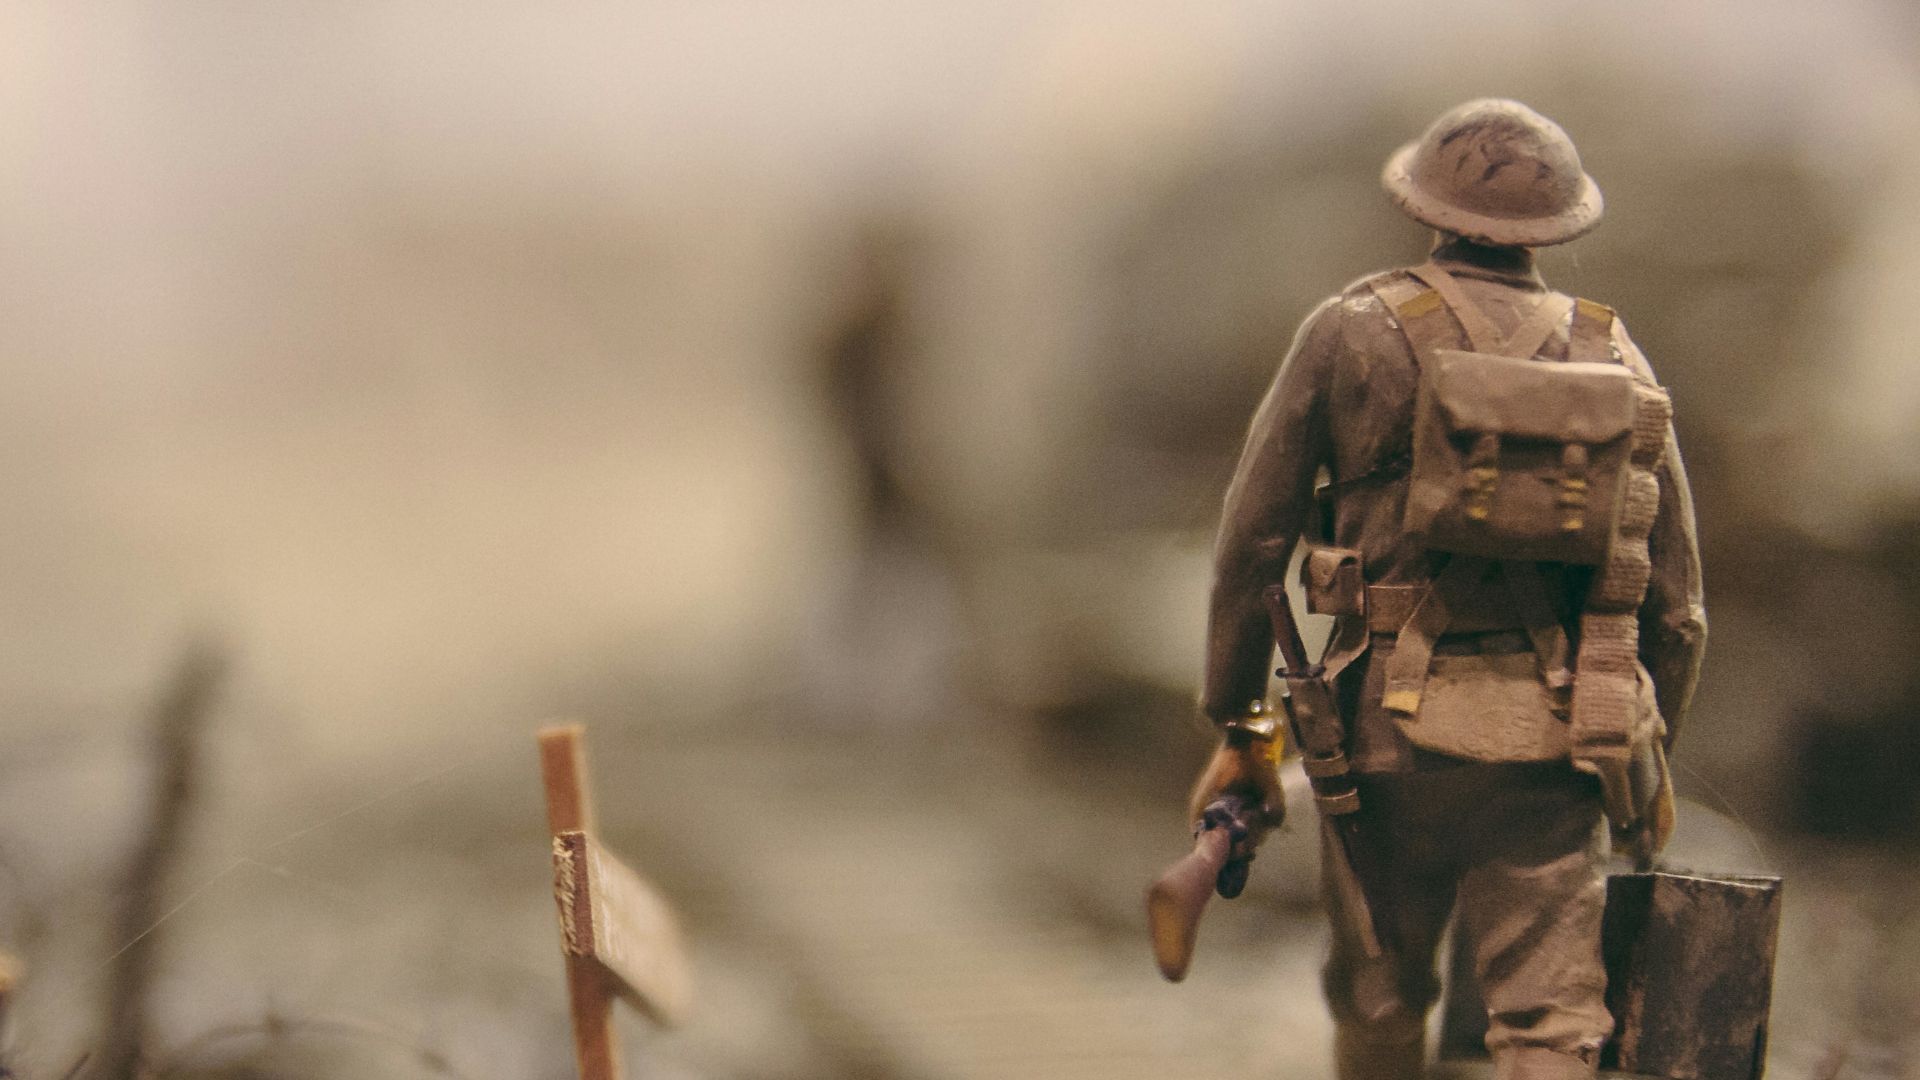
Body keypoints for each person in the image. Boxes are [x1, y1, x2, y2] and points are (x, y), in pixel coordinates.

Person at [1188, 99, 1707, 1080]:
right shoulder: (1612, 354)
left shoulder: (1350, 331)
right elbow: (1675, 606)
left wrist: (1239, 725)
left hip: (1380, 745)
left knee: (1381, 995)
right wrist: (1643, 759)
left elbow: (1249, 547)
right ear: (1560, 222)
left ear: (1422, 203)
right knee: (1550, 1020)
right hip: (1553, 753)